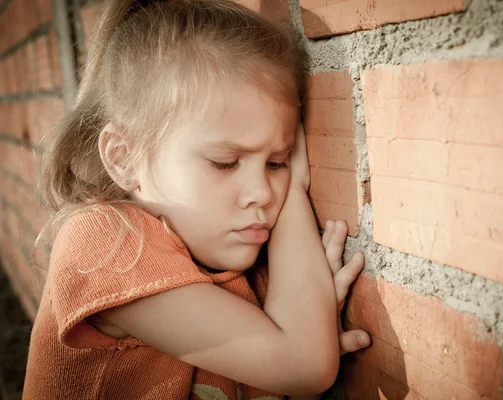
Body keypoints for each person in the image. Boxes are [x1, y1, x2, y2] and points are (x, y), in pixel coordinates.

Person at [22, 0, 370, 398]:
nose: (262, 193)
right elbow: (306, 366)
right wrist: (293, 197)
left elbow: (300, 365)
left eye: (277, 162)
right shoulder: (106, 244)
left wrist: (308, 320)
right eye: (225, 163)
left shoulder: (226, 252)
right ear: (124, 158)